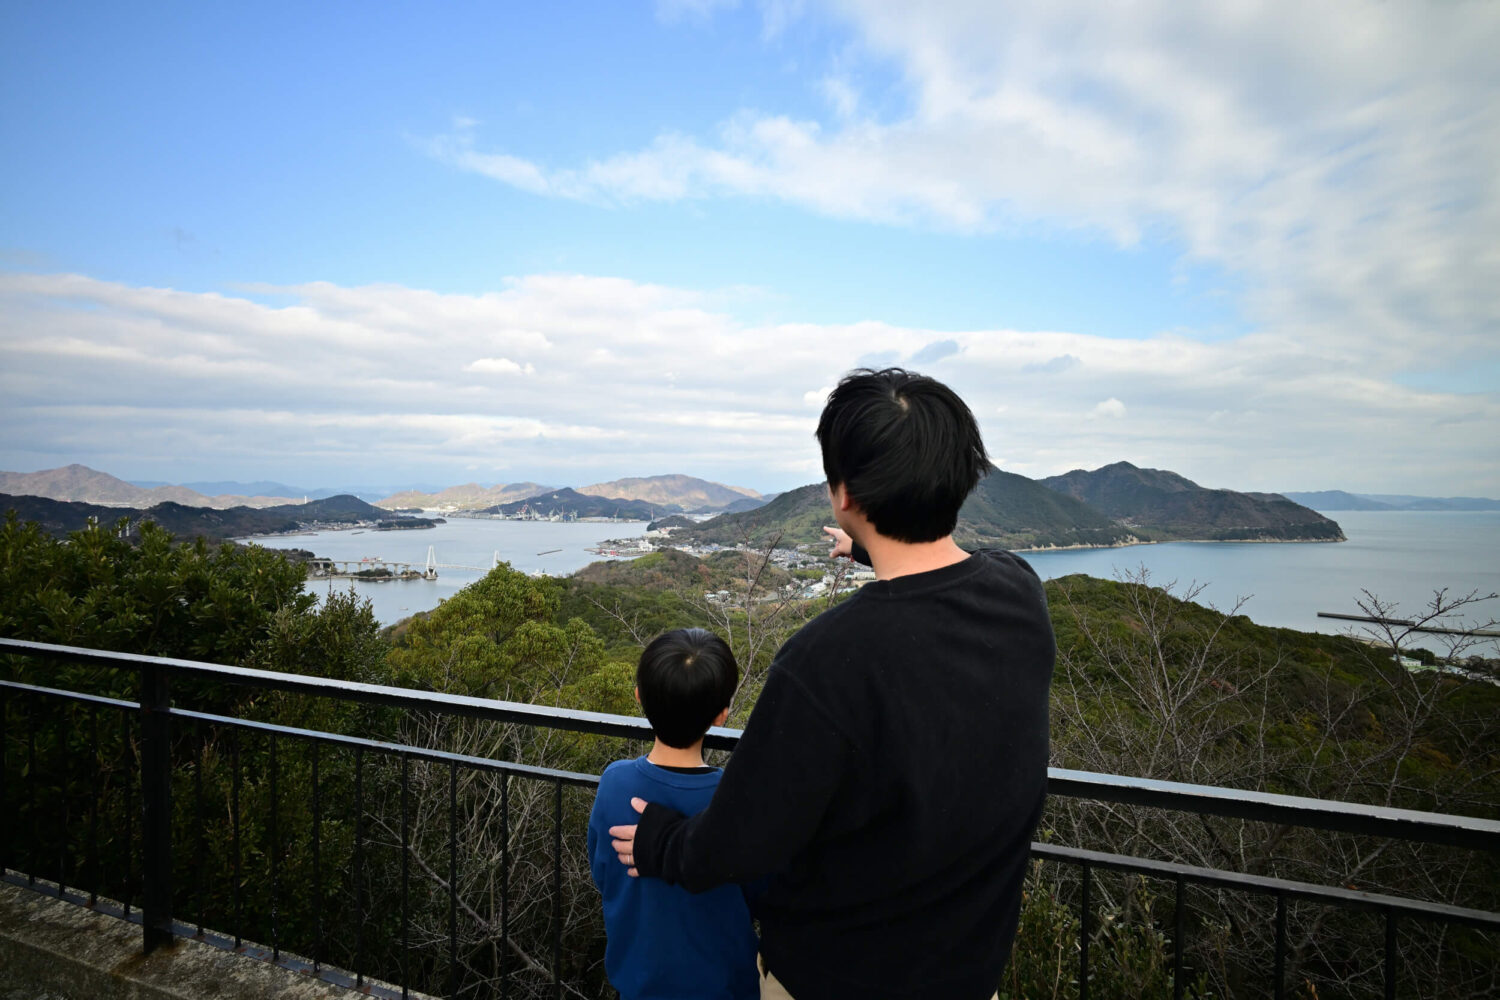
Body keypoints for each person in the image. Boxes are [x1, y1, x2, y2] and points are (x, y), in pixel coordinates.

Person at [608, 368, 1055, 1000]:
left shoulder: (825, 660)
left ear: (842, 493)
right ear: (962, 475)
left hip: (839, 975)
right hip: (969, 969)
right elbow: (934, 587)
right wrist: (872, 550)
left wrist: (663, 844)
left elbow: (744, 837)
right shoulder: (1019, 592)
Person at [586, 628, 760, 1000]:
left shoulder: (615, 783)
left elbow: (603, 873)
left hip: (639, 980)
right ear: (722, 715)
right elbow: (759, 892)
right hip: (723, 985)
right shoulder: (736, 798)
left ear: (639, 698)